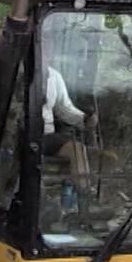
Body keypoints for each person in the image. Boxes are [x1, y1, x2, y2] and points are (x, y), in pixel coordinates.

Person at [41, 66, 95, 213]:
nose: (47, 47)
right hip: (17, 134)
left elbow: (64, 108)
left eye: (50, 43)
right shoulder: (13, 70)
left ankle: (84, 204)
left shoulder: (54, 76)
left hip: (46, 135)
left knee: (77, 150)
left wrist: (83, 119)